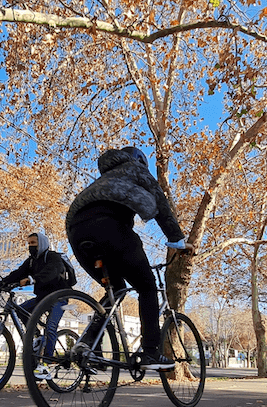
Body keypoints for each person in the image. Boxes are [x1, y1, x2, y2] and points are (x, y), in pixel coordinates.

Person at [65, 146, 194, 370]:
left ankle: (88, 344)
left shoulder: (103, 180)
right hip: (110, 227)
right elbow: (160, 202)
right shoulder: (135, 168)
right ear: (140, 161)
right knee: (146, 286)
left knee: (115, 289)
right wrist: (178, 241)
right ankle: (151, 352)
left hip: (76, 232)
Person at [0, 232, 71, 379]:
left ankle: (47, 364)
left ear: (42, 243)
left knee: (51, 327)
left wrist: (33, 279)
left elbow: (52, 272)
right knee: (22, 310)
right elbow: (18, 273)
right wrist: (0, 284)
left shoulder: (52, 257)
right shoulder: (31, 261)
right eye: (29, 243)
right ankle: (38, 337)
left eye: (33, 243)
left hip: (59, 297)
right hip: (42, 297)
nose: (30, 246)